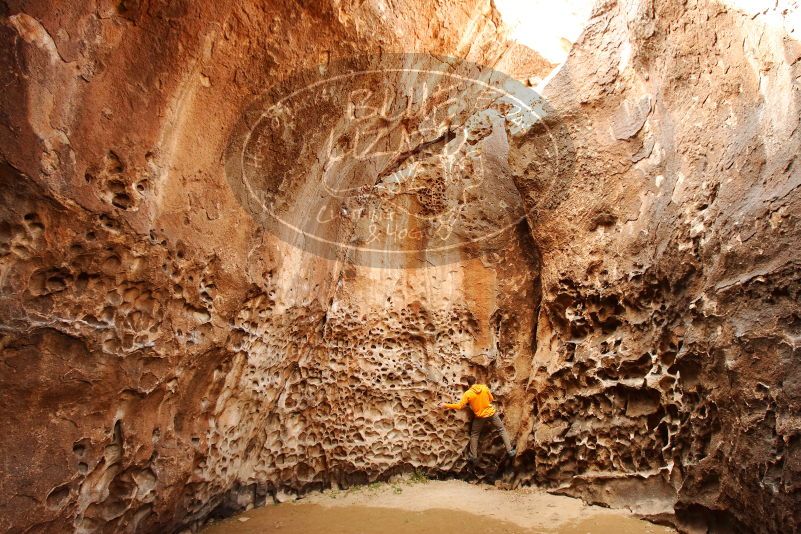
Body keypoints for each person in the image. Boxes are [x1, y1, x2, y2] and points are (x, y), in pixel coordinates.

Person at [442, 375, 516, 463]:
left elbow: (459, 406)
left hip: (480, 417)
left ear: (468, 384)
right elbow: (491, 399)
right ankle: (510, 451)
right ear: (475, 381)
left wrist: (445, 405)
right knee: (501, 429)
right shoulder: (484, 388)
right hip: (491, 414)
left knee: (474, 435)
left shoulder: (468, 394)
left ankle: (473, 456)